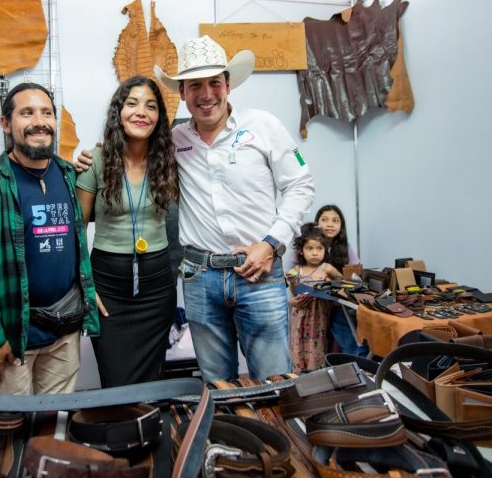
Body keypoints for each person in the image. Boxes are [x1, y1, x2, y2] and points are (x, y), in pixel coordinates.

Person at [78, 35, 315, 381]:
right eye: (195, 86)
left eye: (214, 83)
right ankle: (224, 437)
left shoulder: (263, 126)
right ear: (182, 93)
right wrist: (96, 155)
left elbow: (300, 185)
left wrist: (272, 243)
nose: (206, 95)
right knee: (216, 383)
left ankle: (273, 438)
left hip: (259, 273)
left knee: (274, 381)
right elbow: (130, 149)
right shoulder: (172, 142)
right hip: (200, 279)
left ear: (228, 85)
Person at [0, 82, 99, 395]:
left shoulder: (68, 174)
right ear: (6, 123)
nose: (39, 121)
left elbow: (77, 249)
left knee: (54, 428)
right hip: (13, 335)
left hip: (64, 333)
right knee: (11, 430)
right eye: (27, 112)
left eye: (47, 113)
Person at [76, 76, 178, 387]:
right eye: (132, 103)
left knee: (152, 383)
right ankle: (121, 436)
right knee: (116, 382)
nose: (141, 112)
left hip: (158, 288)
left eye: (150, 106)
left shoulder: (171, 161)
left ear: (159, 117)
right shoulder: (95, 160)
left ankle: (148, 436)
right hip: (108, 287)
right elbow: (77, 230)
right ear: (118, 112)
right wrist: (85, 287)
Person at [286, 224, 343, 372]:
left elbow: (342, 281)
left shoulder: (326, 268)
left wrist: (329, 281)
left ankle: (316, 375)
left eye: (319, 248)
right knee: (298, 344)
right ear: (301, 250)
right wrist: (293, 282)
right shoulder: (297, 269)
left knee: (316, 344)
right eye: (309, 248)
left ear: (325, 249)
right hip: (300, 315)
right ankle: (299, 376)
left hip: (318, 315)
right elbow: (295, 292)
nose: (315, 253)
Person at [314, 204, 368, 356]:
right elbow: (297, 275)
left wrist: (332, 271)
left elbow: (356, 278)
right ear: (317, 223)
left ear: (341, 226)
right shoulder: (309, 246)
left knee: (349, 335)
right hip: (314, 306)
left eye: (335, 221)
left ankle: (360, 365)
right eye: (324, 220)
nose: (330, 224)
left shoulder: (346, 248)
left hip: (339, 305)